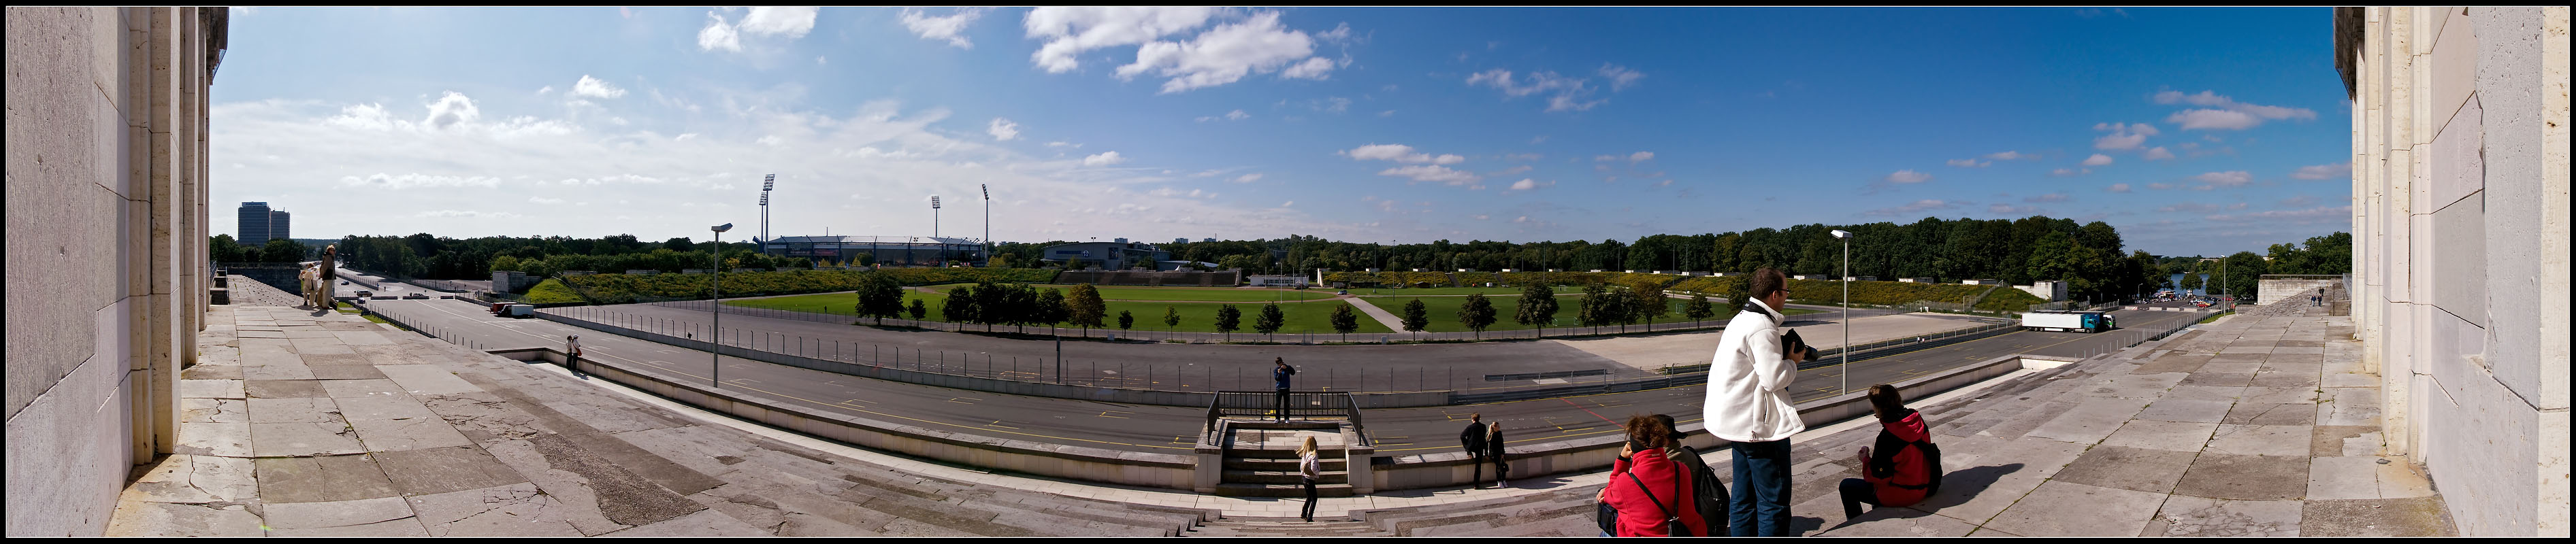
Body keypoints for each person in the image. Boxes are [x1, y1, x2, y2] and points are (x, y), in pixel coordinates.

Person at [1702, 268, 1807, 537]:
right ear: (1774, 295)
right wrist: (1793, 362)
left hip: (1738, 426)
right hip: (1758, 431)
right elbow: (1775, 379)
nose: (1786, 297)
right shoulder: (1762, 327)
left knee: (1743, 496)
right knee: (1774, 501)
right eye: (1785, 292)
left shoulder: (1742, 318)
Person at [1840, 384, 1941, 520]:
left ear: (1879, 407)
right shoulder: (1917, 420)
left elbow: (1877, 477)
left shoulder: (1887, 437)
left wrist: (1865, 459)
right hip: (1925, 486)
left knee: (1846, 487)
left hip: (1904, 493)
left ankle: (1856, 522)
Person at [1597, 415, 1710, 537]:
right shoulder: (1681, 470)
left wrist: (1622, 459)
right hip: (1685, 532)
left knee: (1606, 533)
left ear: (1631, 447)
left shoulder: (1625, 482)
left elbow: (1608, 493)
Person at [1652, 413, 1729, 537]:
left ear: (1663, 440)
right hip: (1694, 518)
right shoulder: (1688, 453)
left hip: (1676, 526)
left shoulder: (1667, 464)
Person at [1461, 413, 1489, 488]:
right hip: (1480, 447)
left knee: (1468, 448)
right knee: (1478, 467)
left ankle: (1469, 453)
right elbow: (1484, 439)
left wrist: (1467, 444)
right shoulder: (1483, 426)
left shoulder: (1470, 427)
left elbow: (1462, 436)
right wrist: (1486, 453)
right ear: (1479, 419)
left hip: (1472, 446)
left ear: (1472, 419)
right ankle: (1476, 484)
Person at [1299, 435, 1322, 522]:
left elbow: (1302, 466)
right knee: (1314, 498)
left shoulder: (1305, 453)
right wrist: (1317, 473)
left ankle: (1304, 513)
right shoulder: (1314, 454)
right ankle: (1310, 517)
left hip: (1304, 478)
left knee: (1309, 497)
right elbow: (1313, 468)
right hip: (1310, 479)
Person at [1273, 358, 1297, 422]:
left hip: (1286, 388)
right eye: (1278, 364)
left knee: (1287, 404)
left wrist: (1287, 368)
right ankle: (1277, 418)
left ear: (1282, 362)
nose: (1279, 365)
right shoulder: (1276, 370)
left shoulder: (1288, 367)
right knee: (1278, 404)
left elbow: (1293, 372)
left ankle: (1287, 418)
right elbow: (1277, 379)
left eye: (1280, 363)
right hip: (1279, 389)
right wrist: (1279, 373)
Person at [1486, 422, 1509, 488]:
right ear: (1494, 427)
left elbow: (1502, 444)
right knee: (1499, 466)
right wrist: (1486, 454)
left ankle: (1503, 480)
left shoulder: (1499, 433)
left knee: (1503, 467)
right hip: (1493, 454)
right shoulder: (1490, 434)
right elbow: (1486, 445)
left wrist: (1503, 453)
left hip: (1499, 453)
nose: (1499, 428)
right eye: (1498, 426)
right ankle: (1499, 481)